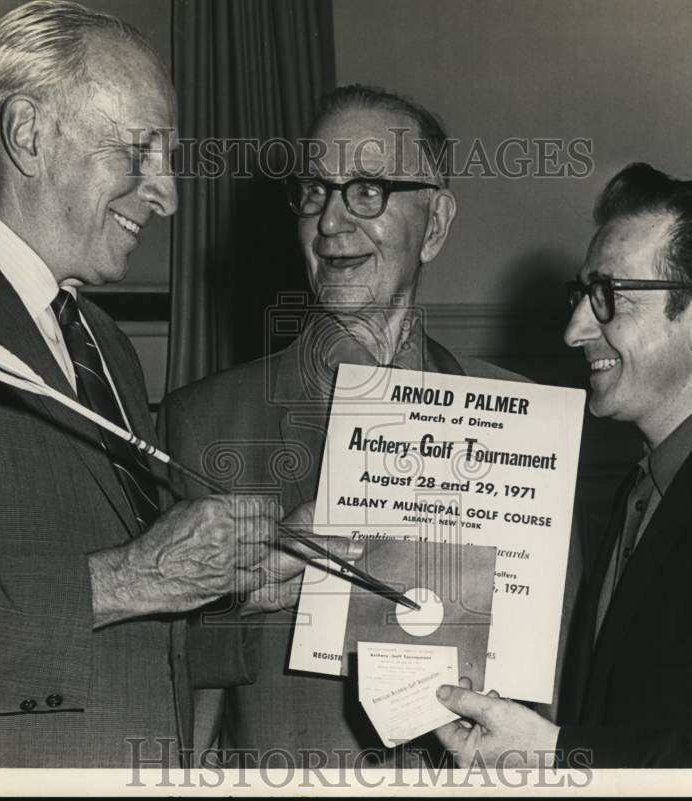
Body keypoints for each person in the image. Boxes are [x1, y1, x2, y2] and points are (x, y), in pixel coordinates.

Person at [0, 0, 339, 768]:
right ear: (27, 133)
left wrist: (239, 583)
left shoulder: (106, 347)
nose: (168, 195)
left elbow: (126, 611)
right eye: (139, 152)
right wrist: (128, 578)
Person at [158, 84, 555, 767]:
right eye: (315, 190)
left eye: (367, 189)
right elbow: (163, 691)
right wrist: (240, 595)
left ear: (433, 226)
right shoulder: (203, 424)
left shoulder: (522, 427)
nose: (332, 222)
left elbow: (545, 697)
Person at [434, 162, 692, 768]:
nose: (572, 330)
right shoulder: (644, 486)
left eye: (608, 296)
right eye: (581, 295)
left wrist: (558, 754)